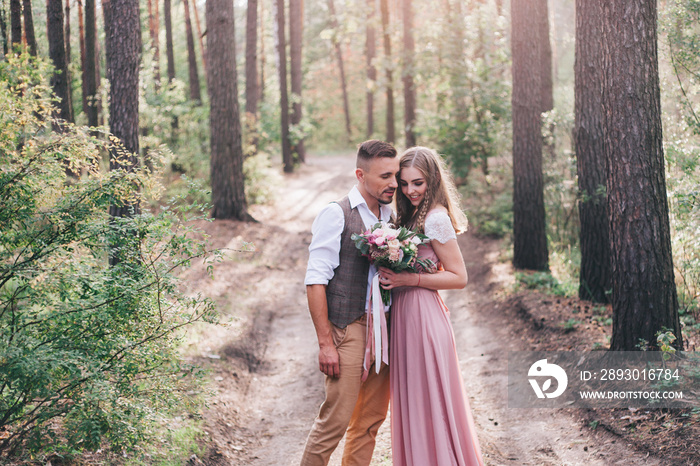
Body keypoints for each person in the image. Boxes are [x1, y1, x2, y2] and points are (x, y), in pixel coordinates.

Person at [378, 146, 484, 466]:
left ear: (433, 180)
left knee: (430, 400)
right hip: (405, 315)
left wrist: (409, 280)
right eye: (405, 183)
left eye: (418, 183)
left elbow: (459, 277)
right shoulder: (411, 213)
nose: (410, 190)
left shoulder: (435, 217)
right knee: (413, 400)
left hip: (423, 316)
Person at [301, 140, 399, 466]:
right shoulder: (336, 213)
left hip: (385, 330)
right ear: (361, 174)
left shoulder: (392, 217)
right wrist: (325, 343)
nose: (394, 183)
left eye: (396, 175)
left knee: (369, 423)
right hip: (348, 328)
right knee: (335, 422)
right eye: (385, 176)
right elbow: (315, 281)